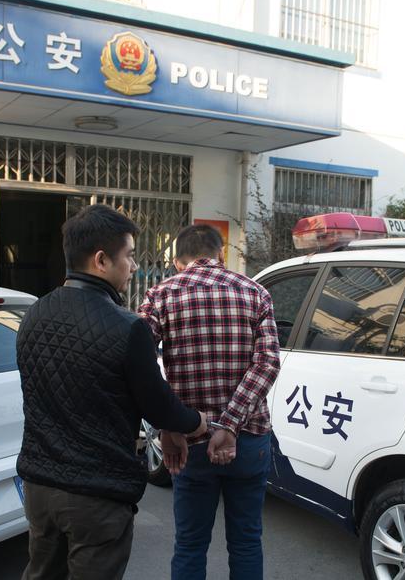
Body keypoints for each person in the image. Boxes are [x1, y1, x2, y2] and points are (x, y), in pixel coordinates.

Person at [16, 204, 207, 580]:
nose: (134, 266)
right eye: (130, 256)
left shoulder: (34, 315)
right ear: (101, 260)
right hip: (96, 494)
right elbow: (158, 406)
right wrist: (196, 421)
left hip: (39, 488)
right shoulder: (127, 328)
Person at [138, 224, 281, 580]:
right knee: (247, 542)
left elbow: (138, 366)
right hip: (248, 440)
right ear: (222, 255)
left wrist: (169, 423)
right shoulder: (255, 292)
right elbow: (268, 363)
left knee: (190, 544)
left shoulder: (160, 295)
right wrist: (229, 425)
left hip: (189, 441)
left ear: (177, 262)